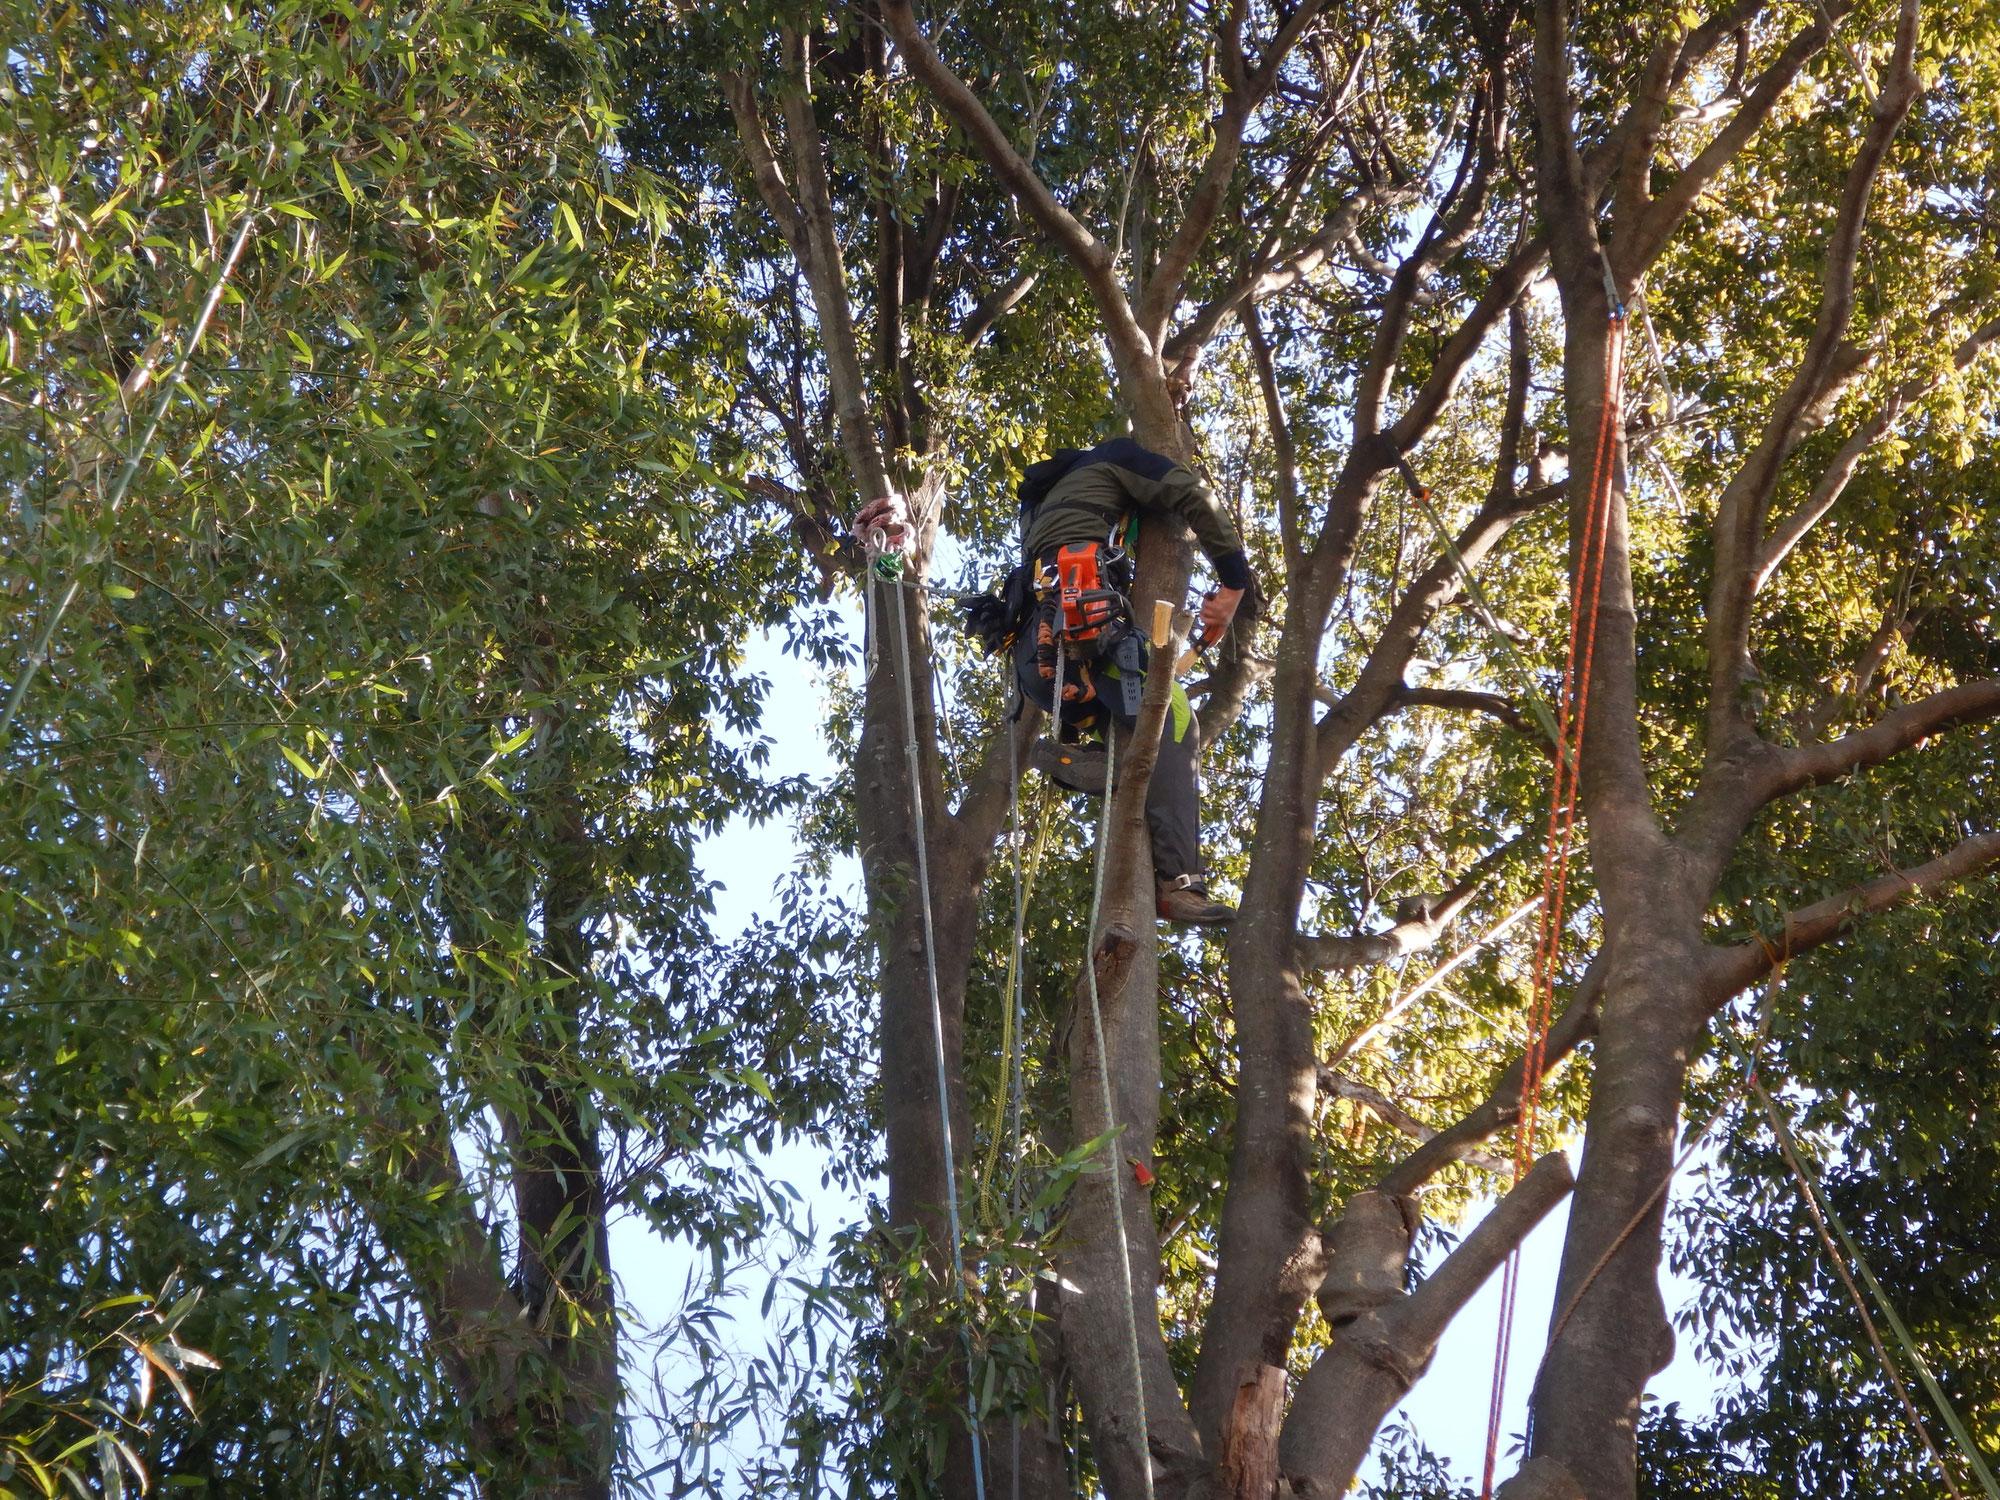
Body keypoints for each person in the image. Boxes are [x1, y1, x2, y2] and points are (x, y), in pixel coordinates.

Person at [857, 438, 1251, 926]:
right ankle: (1179, 884)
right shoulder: (1116, 458)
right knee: (1173, 719)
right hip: (1087, 628)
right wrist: (1233, 584)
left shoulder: (1039, 511)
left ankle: (1087, 756)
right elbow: (1192, 494)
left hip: (1037, 661)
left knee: (1112, 718)